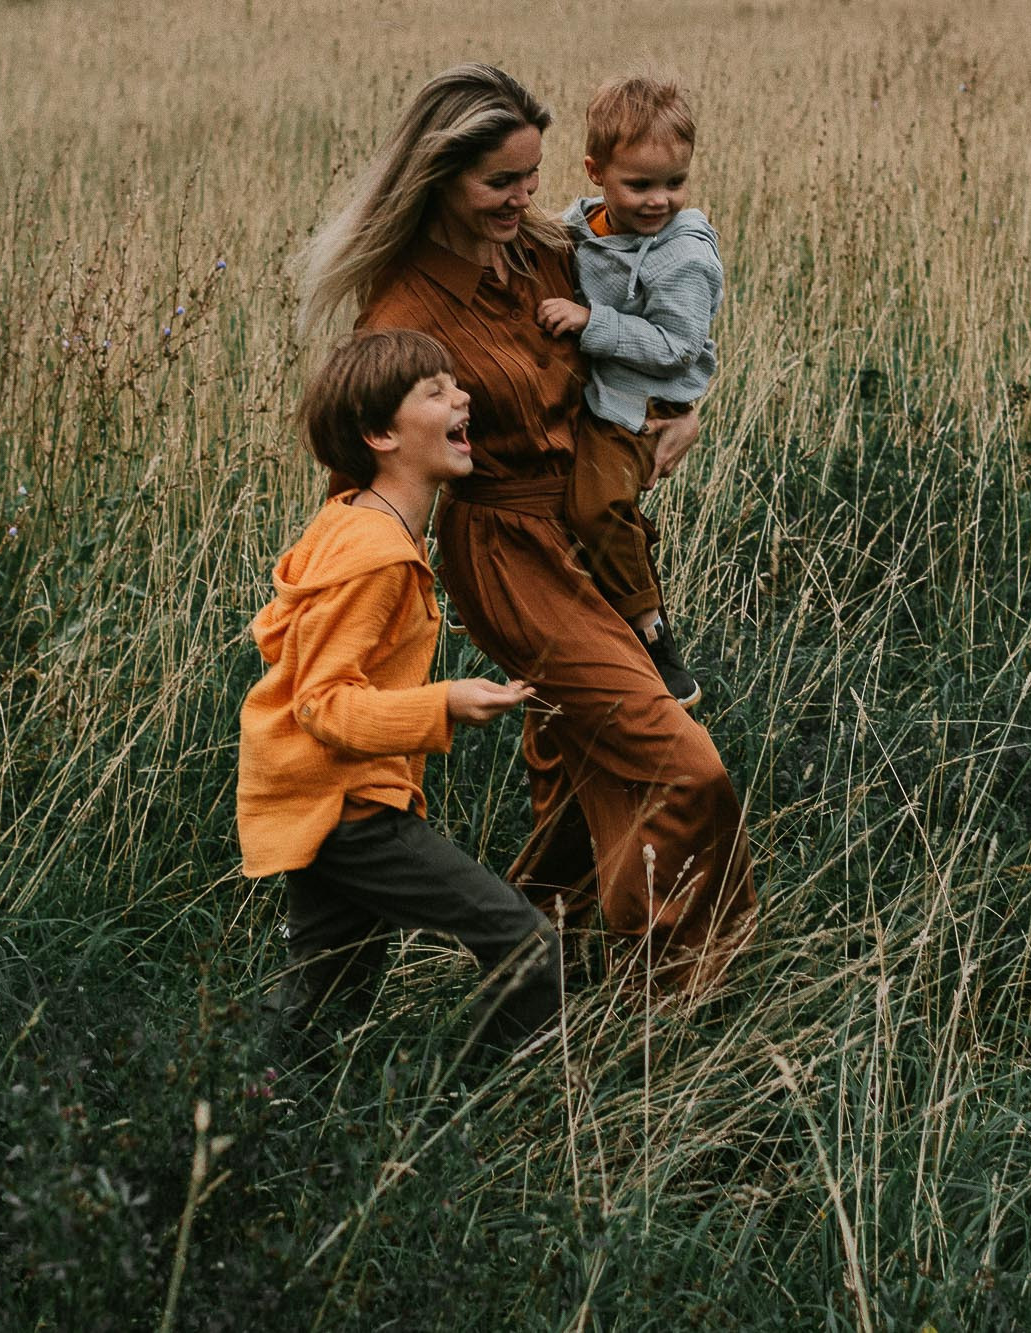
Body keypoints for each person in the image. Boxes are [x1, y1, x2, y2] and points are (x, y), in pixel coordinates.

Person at [293, 63, 755, 996]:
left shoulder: (549, 251)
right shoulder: (406, 310)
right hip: (509, 554)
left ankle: (541, 981)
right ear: (439, 177)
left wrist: (684, 407)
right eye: (500, 182)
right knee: (680, 761)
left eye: (533, 176)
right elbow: (361, 457)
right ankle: (678, 993)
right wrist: (349, 613)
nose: (525, 199)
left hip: (593, 528)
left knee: (581, 776)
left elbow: (655, 325)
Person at [236, 328, 558, 1051]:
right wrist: (443, 702)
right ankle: (476, 1114)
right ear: (382, 433)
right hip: (349, 813)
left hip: (326, 802)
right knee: (527, 946)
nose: (462, 395)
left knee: (321, 1004)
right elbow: (323, 703)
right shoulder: (377, 555)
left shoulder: (353, 522)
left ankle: (241, 1116)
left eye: (455, 383)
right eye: (435, 391)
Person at [534, 74, 721, 709]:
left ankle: (651, 629)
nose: (659, 201)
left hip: (642, 407)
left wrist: (593, 323)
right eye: (639, 185)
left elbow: (678, 348)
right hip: (601, 392)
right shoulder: (584, 224)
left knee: (593, 507)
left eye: (675, 183)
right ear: (595, 173)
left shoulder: (683, 258)